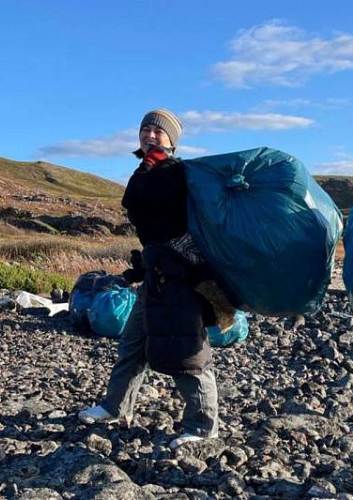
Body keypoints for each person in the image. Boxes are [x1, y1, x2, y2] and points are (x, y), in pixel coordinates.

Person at [78, 109, 220, 449]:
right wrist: (141, 267)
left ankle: (204, 427)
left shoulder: (177, 173)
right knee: (133, 344)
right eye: (146, 129)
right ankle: (116, 406)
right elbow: (155, 229)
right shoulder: (147, 170)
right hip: (157, 273)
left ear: (172, 140)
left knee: (186, 348)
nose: (150, 135)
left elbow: (179, 224)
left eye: (159, 131)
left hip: (183, 274)